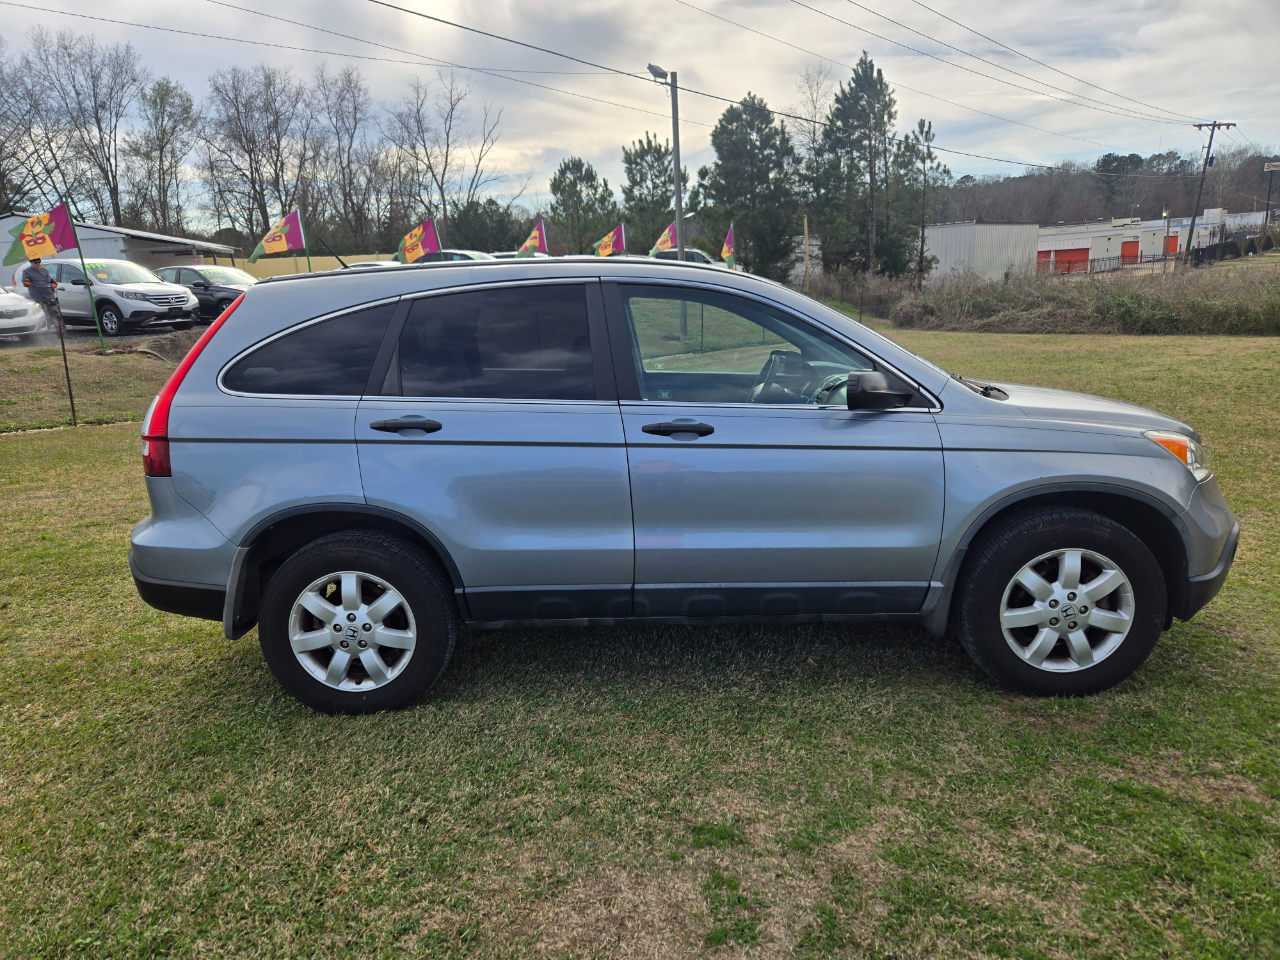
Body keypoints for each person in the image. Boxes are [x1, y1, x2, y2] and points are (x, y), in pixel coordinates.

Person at [21, 256, 62, 332]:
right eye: (35, 263)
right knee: (43, 317)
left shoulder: (45, 270)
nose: (38, 264)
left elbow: (51, 281)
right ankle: (43, 334)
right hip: (38, 298)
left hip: (50, 297)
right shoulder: (27, 272)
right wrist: (26, 282)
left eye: (39, 262)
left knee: (57, 315)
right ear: (31, 262)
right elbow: (25, 282)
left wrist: (53, 284)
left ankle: (62, 333)